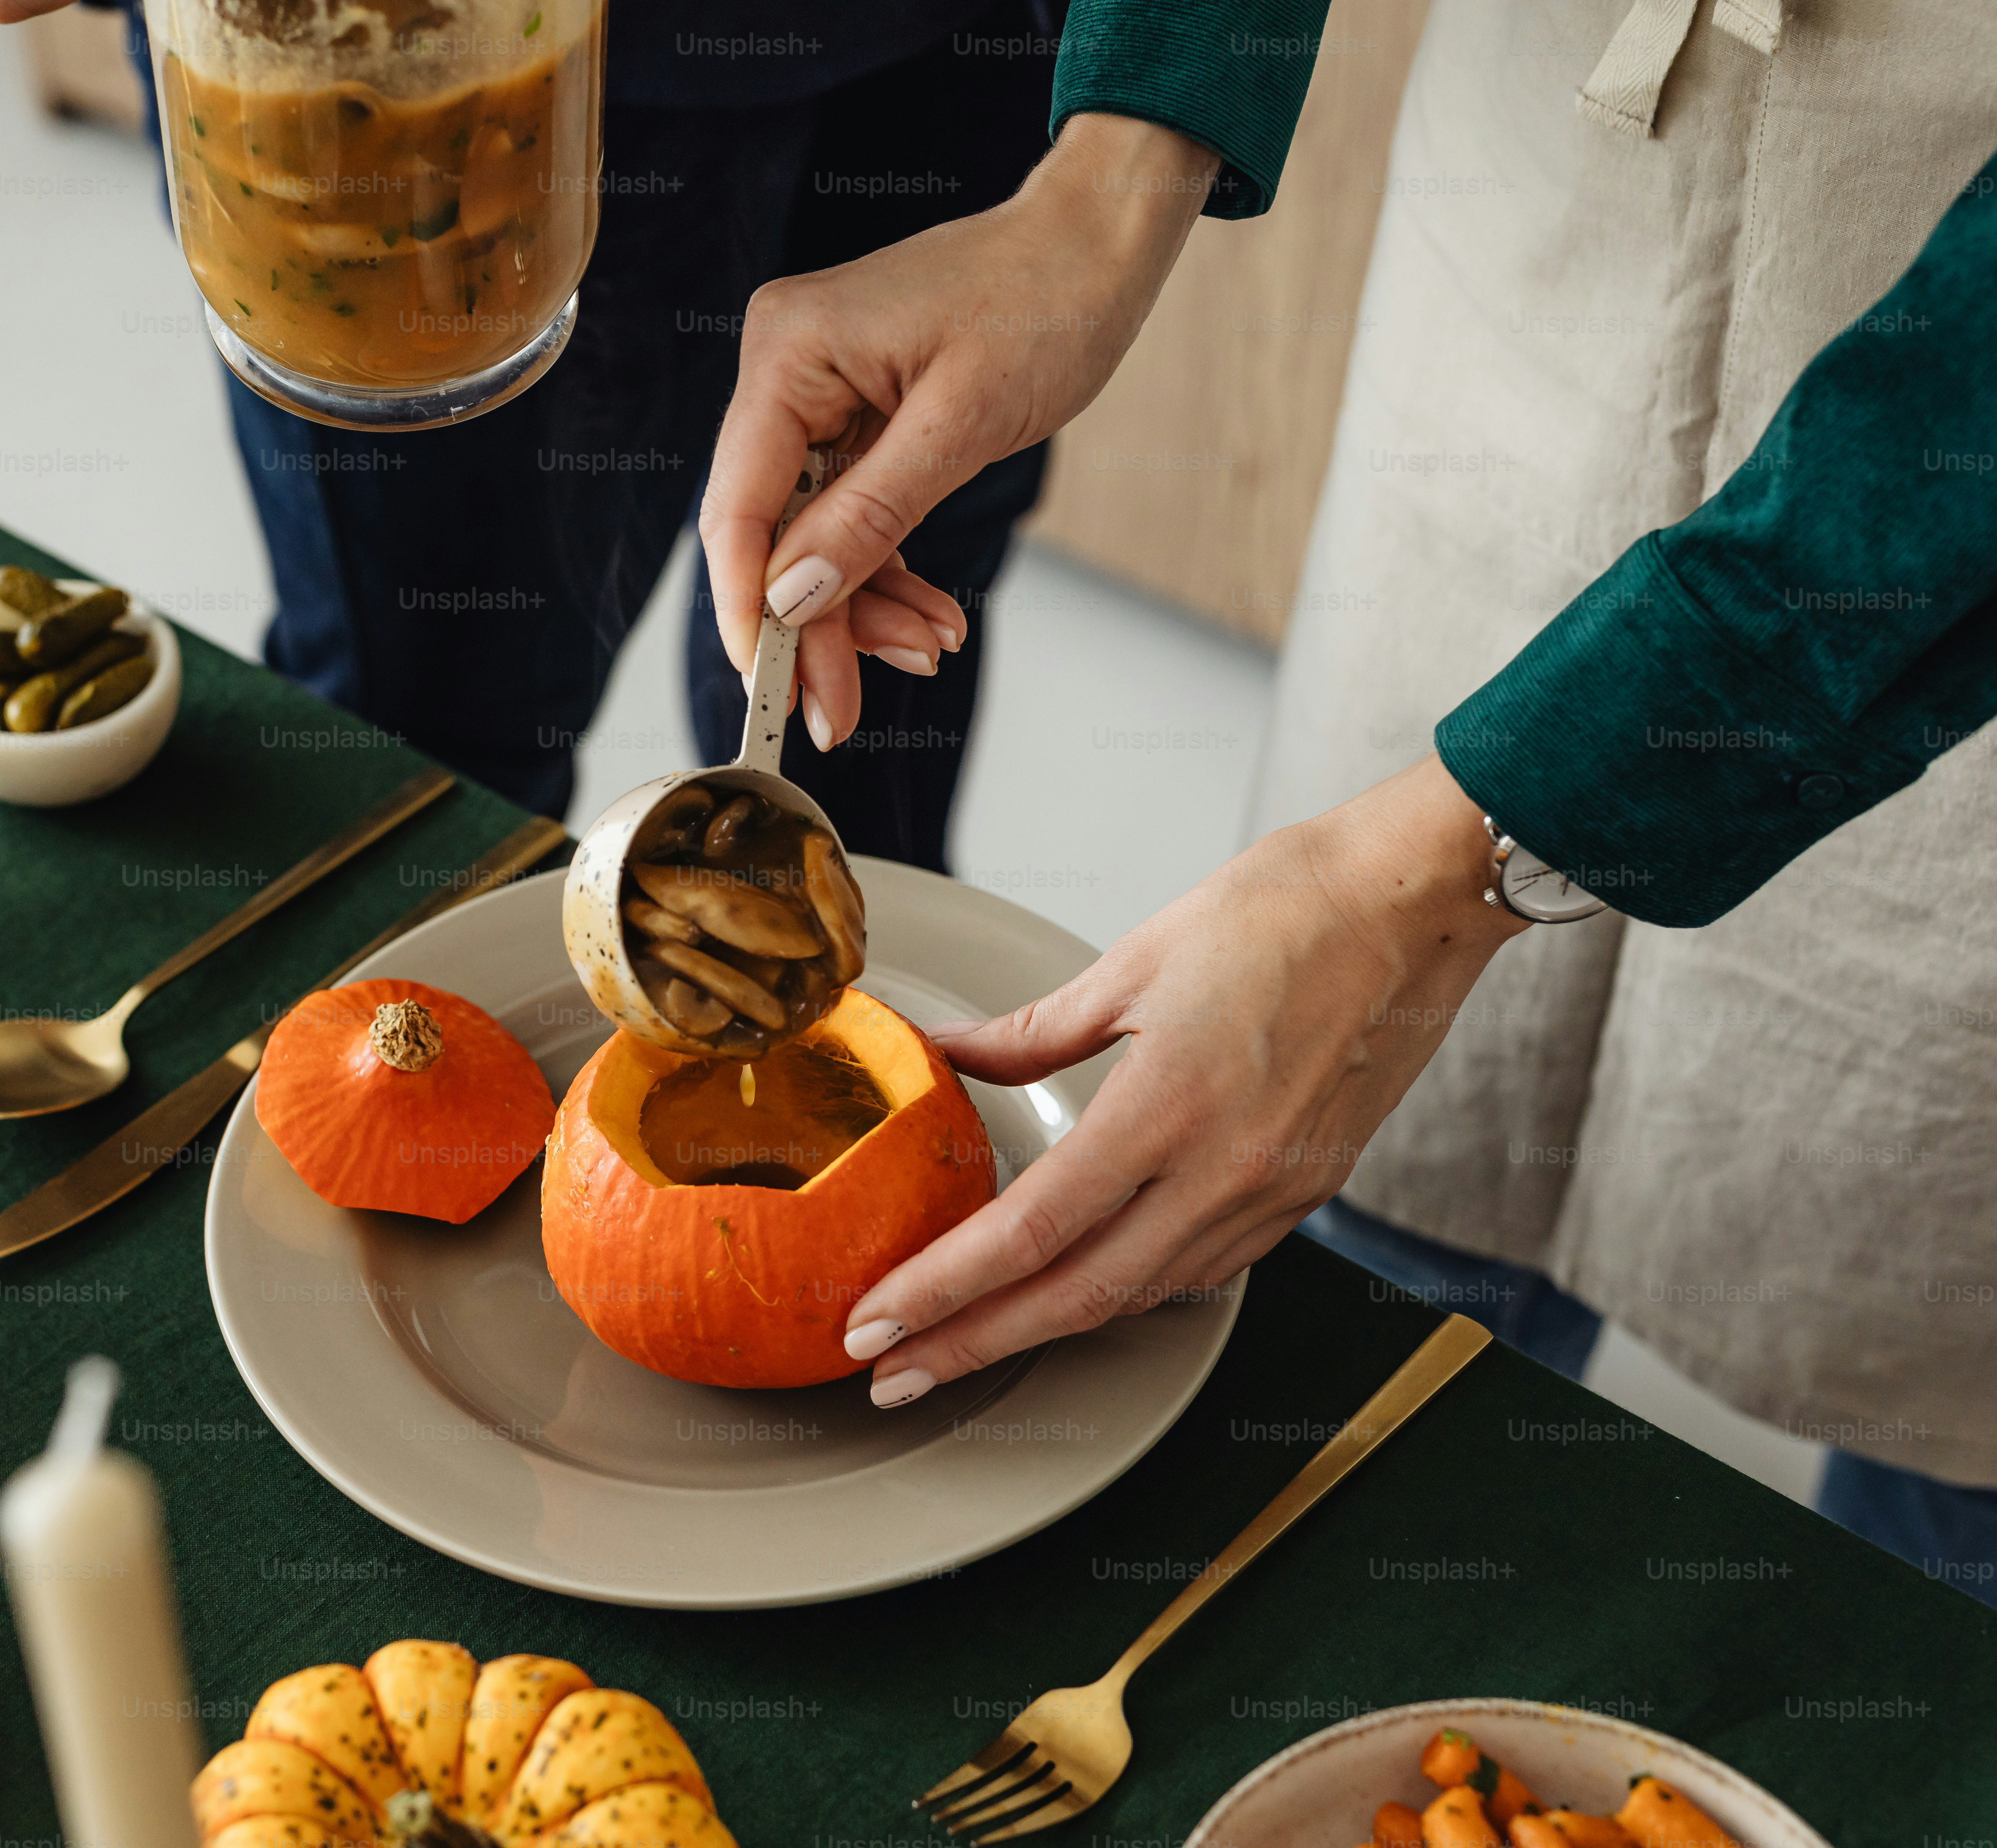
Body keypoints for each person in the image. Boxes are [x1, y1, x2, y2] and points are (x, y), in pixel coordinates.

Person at [701, 1, 1997, 1598]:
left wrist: (1410, 895)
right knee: (1351, 1263)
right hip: (1555, 206)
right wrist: (1107, 183)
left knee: (1950, 1445)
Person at [0, 0, 1101, 870]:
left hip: (970, 43)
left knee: (857, 675)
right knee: (431, 758)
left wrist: (1114, 184)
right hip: (421, 101)